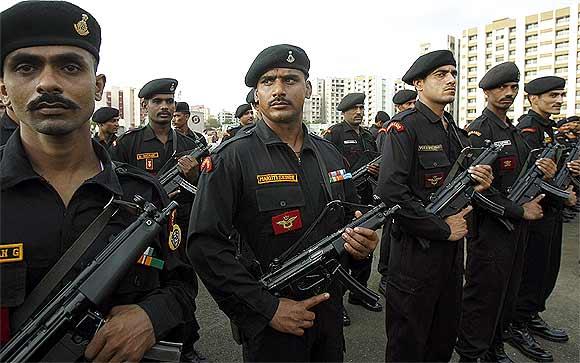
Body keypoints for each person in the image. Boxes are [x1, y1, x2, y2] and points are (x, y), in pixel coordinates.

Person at [0, 2, 196, 361]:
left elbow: (181, 285)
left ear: (97, 85)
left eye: (70, 67)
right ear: (2, 88)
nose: (47, 83)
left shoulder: (144, 195)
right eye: (25, 67)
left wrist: (150, 316)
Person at [188, 44, 379, 362]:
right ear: (256, 94)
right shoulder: (230, 157)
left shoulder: (329, 153)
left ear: (308, 88)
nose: (278, 90)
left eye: (290, 80)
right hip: (273, 322)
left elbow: (348, 220)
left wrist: (362, 246)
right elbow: (204, 246)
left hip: (329, 314)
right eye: (268, 81)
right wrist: (267, 308)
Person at [376, 50, 494, 362]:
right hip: (416, 254)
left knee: (442, 338)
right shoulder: (404, 127)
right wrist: (441, 229)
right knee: (409, 344)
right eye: (441, 74)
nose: (451, 80)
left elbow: (457, 184)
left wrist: (477, 182)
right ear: (419, 83)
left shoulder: (452, 129)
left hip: (451, 254)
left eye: (453, 73)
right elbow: (390, 192)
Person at [456, 62, 556, 363]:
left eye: (513, 88)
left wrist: (548, 174)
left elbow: (526, 176)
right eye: (502, 87)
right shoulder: (477, 132)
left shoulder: (515, 132)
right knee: (483, 297)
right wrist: (518, 210)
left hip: (516, 230)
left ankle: (494, 348)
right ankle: (472, 354)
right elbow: (477, 191)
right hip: (490, 231)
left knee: (508, 294)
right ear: (486, 91)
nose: (508, 93)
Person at [110, 79, 206, 362]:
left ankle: (187, 344)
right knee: (146, 285)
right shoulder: (129, 143)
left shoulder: (190, 144)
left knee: (183, 286)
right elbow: (115, 188)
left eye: (169, 101)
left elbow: (207, 190)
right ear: (145, 106)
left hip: (179, 229)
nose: (164, 107)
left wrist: (194, 175)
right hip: (142, 229)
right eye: (157, 102)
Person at [506, 76, 580, 361]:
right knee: (532, 271)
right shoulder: (528, 129)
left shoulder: (550, 129)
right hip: (535, 211)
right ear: (533, 99)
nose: (559, 100)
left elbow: (554, 170)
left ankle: (532, 314)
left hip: (552, 210)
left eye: (561, 95)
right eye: (552, 95)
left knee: (548, 269)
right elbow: (527, 176)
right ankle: (517, 323)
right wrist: (561, 194)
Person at [323, 92, 382, 323]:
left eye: (361, 108)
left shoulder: (368, 135)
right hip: (344, 201)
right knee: (341, 251)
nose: (358, 112)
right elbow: (326, 167)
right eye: (353, 109)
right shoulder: (335, 134)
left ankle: (360, 292)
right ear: (344, 112)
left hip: (366, 198)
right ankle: (337, 301)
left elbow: (376, 159)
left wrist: (376, 168)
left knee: (365, 247)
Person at [376, 88, 418, 293]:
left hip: (410, 190)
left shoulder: (415, 125)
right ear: (399, 107)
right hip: (394, 189)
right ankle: (385, 274)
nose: (412, 107)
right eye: (407, 104)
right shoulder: (390, 129)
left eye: (414, 103)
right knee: (389, 232)